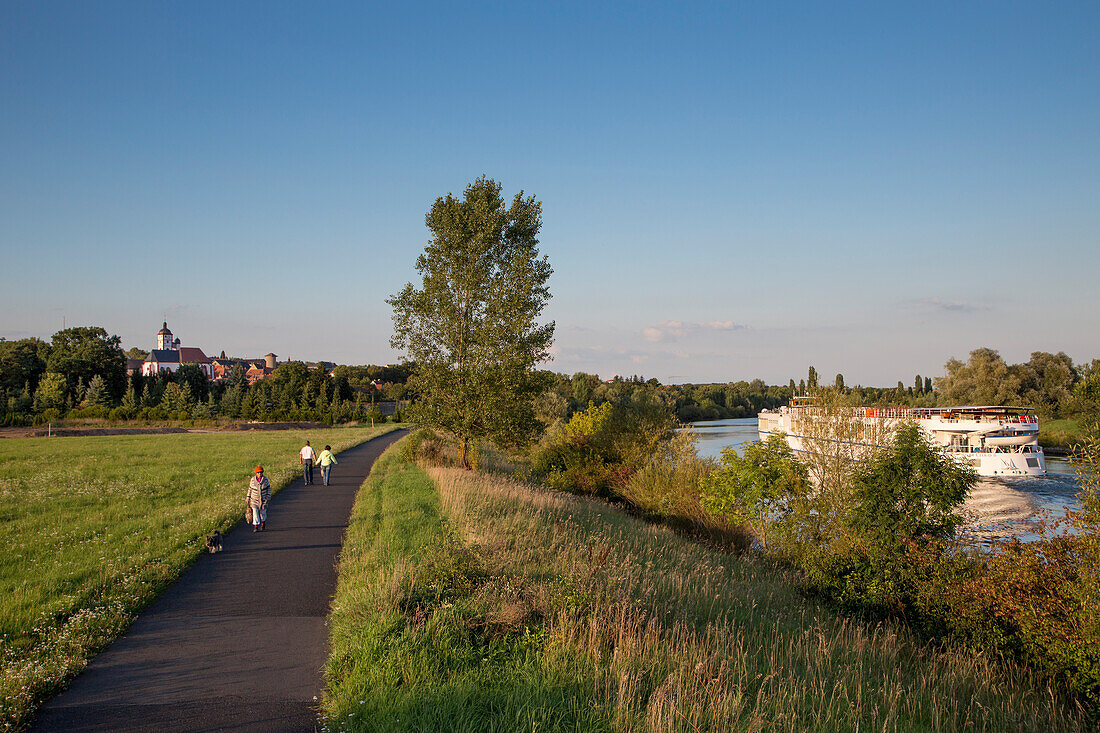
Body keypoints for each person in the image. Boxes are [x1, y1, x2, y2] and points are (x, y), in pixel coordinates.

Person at [246, 466, 271, 531]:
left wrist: (268, 497)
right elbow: (250, 489)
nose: (260, 474)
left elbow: (268, 488)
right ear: (256, 473)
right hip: (254, 499)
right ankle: (256, 526)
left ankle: (263, 523)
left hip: (263, 499)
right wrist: (248, 498)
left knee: (263, 513)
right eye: (258, 472)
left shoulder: (265, 480)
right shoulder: (252, 480)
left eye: (261, 472)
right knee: (255, 513)